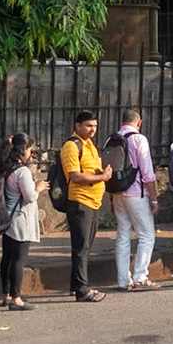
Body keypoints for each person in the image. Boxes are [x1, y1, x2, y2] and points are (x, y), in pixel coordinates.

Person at [61, 111, 112, 302]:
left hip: (93, 202)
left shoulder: (89, 145)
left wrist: (102, 172)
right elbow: (75, 176)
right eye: (89, 126)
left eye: (95, 126)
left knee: (86, 246)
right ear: (77, 126)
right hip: (80, 202)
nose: (93, 130)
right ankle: (82, 290)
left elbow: (90, 170)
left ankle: (76, 285)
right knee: (81, 247)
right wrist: (102, 177)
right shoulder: (71, 146)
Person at [110, 109, 158, 291]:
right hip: (136, 193)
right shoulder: (139, 139)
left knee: (122, 235)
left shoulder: (111, 139)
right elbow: (147, 173)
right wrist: (153, 198)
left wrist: (111, 199)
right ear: (139, 123)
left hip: (117, 194)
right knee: (146, 235)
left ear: (122, 122)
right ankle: (140, 276)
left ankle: (123, 280)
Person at [0, 134, 45, 310]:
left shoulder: (5, 168)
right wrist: (38, 188)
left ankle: (6, 294)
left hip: (7, 219)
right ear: (23, 150)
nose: (31, 153)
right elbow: (30, 196)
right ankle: (16, 298)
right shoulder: (22, 171)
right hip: (20, 220)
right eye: (30, 149)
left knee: (7, 258)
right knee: (18, 259)